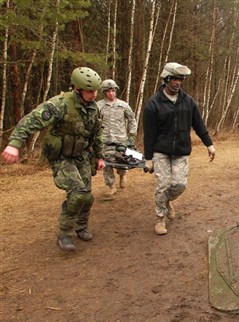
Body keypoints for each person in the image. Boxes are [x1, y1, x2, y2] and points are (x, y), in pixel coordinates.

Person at [1, 67, 105, 251]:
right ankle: (65, 233)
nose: (94, 95)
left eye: (96, 91)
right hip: (61, 157)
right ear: (77, 89)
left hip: (82, 156)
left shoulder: (93, 109)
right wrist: (14, 143)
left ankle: (81, 227)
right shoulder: (59, 104)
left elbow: (97, 134)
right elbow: (31, 120)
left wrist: (100, 156)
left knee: (87, 197)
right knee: (78, 193)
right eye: (90, 91)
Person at [143, 62, 216, 236]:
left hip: (181, 151)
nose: (178, 83)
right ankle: (160, 218)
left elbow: (199, 125)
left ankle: (167, 201)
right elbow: (149, 134)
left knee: (180, 184)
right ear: (166, 79)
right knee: (163, 185)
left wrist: (209, 144)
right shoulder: (153, 104)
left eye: (180, 79)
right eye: (174, 79)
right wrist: (148, 158)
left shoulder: (188, 102)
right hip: (160, 151)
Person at [97, 79, 138, 197]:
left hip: (121, 139)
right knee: (107, 163)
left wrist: (132, 135)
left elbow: (132, 120)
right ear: (104, 92)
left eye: (113, 90)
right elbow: (93, 122)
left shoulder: (123, 105)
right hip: (105, 140)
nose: (111, 93)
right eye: (108, 91)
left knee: (122, 160)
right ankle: (111, 186)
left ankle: (122, 174)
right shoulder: (99, 106)